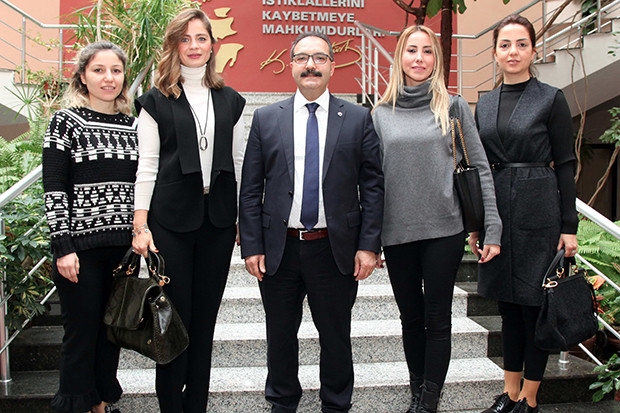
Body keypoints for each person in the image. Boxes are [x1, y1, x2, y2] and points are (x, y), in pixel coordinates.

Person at [239, 31, 384, 413]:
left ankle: (336, 404)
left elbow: (372, 186)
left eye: (319, 58)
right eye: (302, 58)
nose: (310, 65)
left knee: (335, 336)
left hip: (334, 249)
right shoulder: (267, 118)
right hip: (280, 249)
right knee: (279, 336)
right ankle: (282, 402)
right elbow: (250, 188)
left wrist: (368, 245)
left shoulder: (358, 118)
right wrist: (252, 245)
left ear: (332, 66)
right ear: (291, 66)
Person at [371, 25, 502, 413]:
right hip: (397, 232)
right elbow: (372, 181)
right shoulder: (379, 114)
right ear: (399, 57)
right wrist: (369, 239)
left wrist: (491, 226)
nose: (419, 58)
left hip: (444, 229)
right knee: (410, 318)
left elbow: (478, 168)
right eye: (411, 50)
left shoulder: (453, 107)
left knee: (437, 318)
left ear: (437, 59)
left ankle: (428, 402)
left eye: (427, 51)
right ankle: (418, 391)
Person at [131, 8, 246, 413]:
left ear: (212, 45)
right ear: (174, 45)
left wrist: (239, 220)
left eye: (201, 38)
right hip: (170, 223)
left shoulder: (231, 100)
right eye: (185, 39)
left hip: (217, 222)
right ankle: (170, 405)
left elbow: (237, 162)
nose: (194, 46)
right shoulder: (155, 101)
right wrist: (140, 225)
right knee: (172, 321)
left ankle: (196, 404)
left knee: (205, 321)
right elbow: (146, 166)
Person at [474, 14, 579, 413]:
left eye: (521, 44)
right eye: (505, 45)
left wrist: (569, 226)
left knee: (535, 305)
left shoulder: (551, 98)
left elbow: (565, 164)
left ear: (534, 51)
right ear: (495, 53)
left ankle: (529, 399)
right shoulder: (485, 102)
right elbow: (478, 166)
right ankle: (510, 392)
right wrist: (479, 222)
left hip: (539, 207)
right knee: (507, 307)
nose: (513, 52)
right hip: (498, 209)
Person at [42, 41, 137, 413]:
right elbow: (54, 188)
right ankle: (74, 405)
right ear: (83, 76)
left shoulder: (133, 125)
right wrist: (63, 247)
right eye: (99, 70)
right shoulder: (65, 122)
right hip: (79, 252)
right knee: (80, 336)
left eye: (116, 70)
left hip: (122, 251)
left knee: (110, 333)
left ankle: (100, 404)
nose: (108, 78)